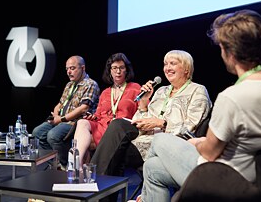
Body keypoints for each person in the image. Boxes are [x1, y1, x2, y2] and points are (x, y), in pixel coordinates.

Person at [139, 9, 261, 202]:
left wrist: (197, 142)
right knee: (152, 168)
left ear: (230, 52)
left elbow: (209, 152)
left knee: (160, 140)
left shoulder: (232, 97)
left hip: (225, 177)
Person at [90, 49, 212, 201]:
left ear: (186, 68)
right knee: (117, 126)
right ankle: (95, 189)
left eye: (172, 64)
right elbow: (141, 120)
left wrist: (163, 124)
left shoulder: (198, 90)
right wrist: (143, 104)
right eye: (165, 64)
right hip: (143, 140)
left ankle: (92, 187)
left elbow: (191, 126)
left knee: (114, 153)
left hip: (168, 146)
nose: (167, 68)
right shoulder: (161, 91)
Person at [73, 52, 141, 168]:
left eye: (121, 68)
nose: (118, 72)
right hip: (102, 126)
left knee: (88, 140)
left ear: (127, 70)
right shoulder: (105, 93)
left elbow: (142, 112)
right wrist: (92, 117)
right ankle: (76, 165)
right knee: (82, 122)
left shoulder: (135, 88)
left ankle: (88, 170)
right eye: (114, 68)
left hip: (120, 129)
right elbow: (98, 115)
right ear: (110, 71)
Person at [32, 55, 100, 169]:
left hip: (75, 123)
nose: (69, 72)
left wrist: (62, 119)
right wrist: (57, 116)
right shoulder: (69, 85)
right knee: (37, 133)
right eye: (67, 69)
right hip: (62, 120)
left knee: (52, 135)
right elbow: (60, 104)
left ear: (83, 68)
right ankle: (55, 163)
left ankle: (66, 165)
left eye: (72, 68)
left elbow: (83, 108)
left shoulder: (90, 84)